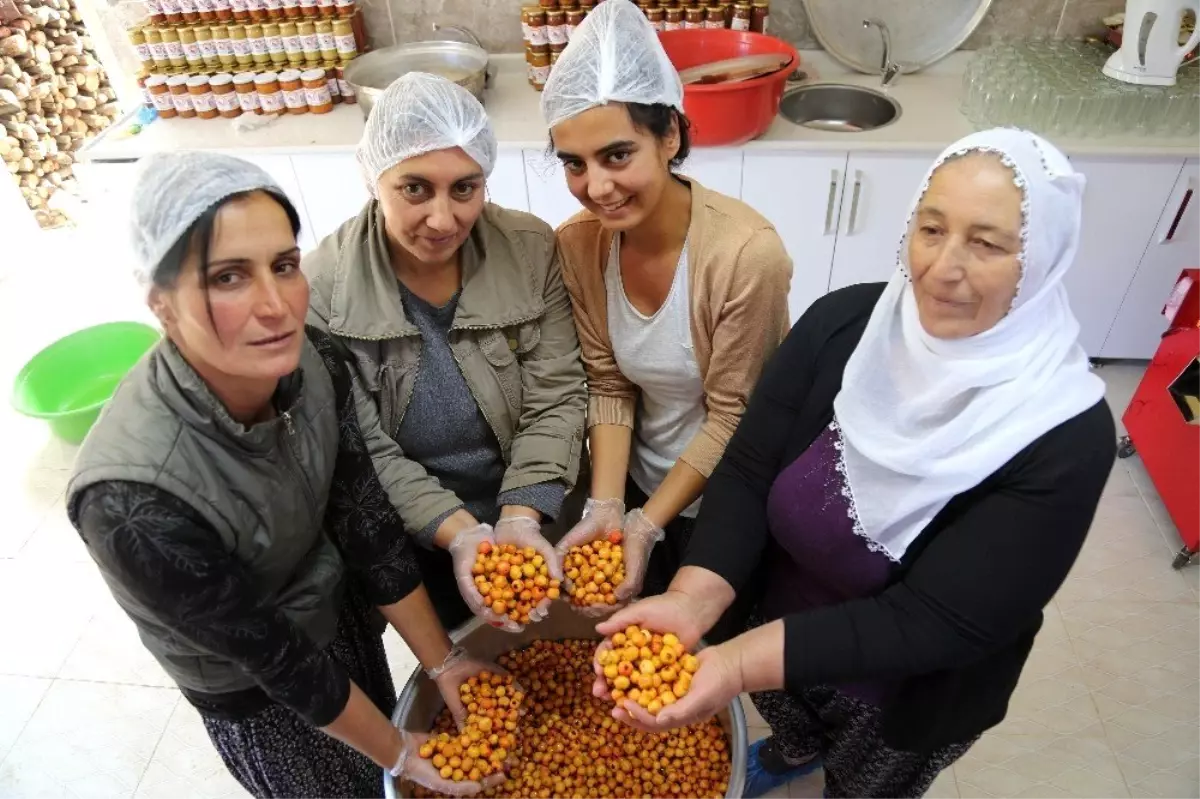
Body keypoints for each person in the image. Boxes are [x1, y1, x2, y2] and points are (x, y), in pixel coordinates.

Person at [593, 129, 1117, 799]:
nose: (941, 267)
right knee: (795, 724)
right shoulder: (846, 324)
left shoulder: (1065, 433)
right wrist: (697, 596)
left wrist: (732, 665)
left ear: (1042, 260)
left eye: (986, 243)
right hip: (782, 630)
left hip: (903, 692)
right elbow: (751, 466)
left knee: (865, 784)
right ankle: (794, 751)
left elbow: (936, 622)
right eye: (931, 228)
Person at [68, 151, 504, 799]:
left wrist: (444, 660)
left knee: (376, 737)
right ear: (161, 302)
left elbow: (365, 521)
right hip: (255, 684)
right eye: (228, 277)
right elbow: (277, 658)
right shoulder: (130, 498)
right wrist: (401, 754)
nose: (275, 306)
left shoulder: (311, 360)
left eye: (284, 265)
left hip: (332, 606)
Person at [304, 72, 588, 632]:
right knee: (458, 651)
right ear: (374, 178)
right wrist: (459, 535)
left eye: (465, 187)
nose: (443, 219)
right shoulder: (324, 291)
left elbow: (556, 395)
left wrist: (522, 517)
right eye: (415, 188)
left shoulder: (530, 251)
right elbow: (366, 451)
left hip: (536, 505)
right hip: (417, 532)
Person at [541, 0, 792, 623]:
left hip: (730, 492)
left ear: (670, 135)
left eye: (617, 154)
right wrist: (607, 511)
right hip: (637, 480)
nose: (596, 187)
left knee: (708, 647)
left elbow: (735, 416)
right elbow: (610, 382)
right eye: (575, 163)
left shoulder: (744, 255)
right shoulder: (580, 242)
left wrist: (647, 525)